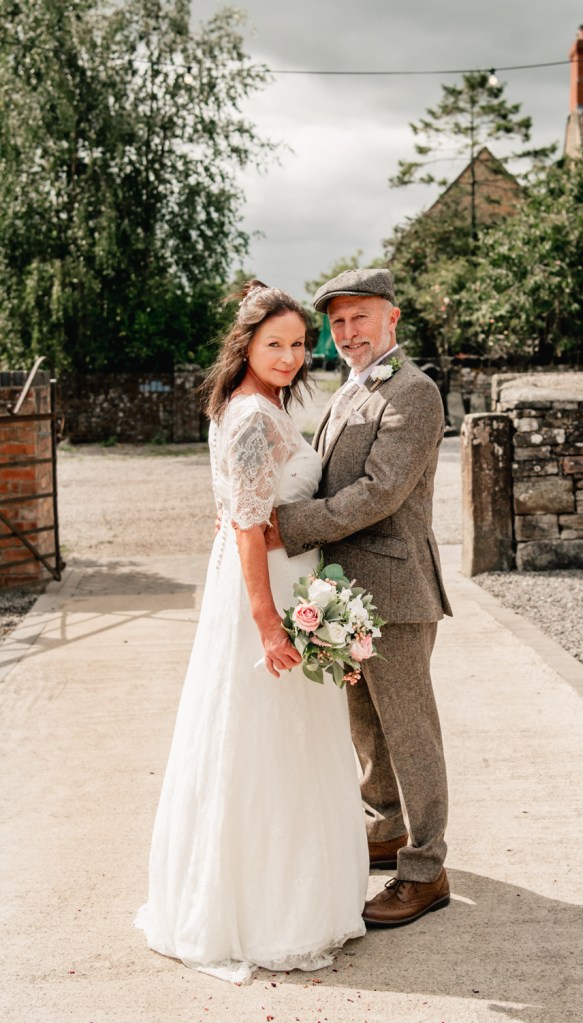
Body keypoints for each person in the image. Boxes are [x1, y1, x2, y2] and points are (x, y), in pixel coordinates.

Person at [135, 281, 368, 983]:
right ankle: (262, 910)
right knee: (259, 739)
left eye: (299, 344)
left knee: (285, 740)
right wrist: (268, 622)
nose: (291, 356)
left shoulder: (263, 404)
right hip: (259, 591)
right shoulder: (245, 417)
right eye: (277, 344)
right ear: (246, 345)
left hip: (284, 574)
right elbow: (243, 523)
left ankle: (294, 892)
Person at [266, 267, 453, 927]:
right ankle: (386, 827)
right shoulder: (350, 389)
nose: (347, 333)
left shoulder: (414, 390)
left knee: (409, 732)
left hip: (395, 589)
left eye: (359, 318)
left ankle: (426, 868)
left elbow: (378, 491)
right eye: (338, 323)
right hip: (346, 592)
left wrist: (284, 527)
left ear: (391, 318)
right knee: (364, 725)